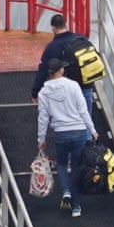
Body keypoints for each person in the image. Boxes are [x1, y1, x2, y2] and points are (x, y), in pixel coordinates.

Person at [37, 58, 98, 217]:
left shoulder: (44, 92)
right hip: (78, 131)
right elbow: (83, 110)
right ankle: (76, 207)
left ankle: (66, 191)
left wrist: (41, 139)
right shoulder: (73, 86)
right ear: (61, 71)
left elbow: (43, 118)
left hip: (61, 134)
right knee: (76, 167)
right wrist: (92, 129)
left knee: (62, 164)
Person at [31, 13, 96, 112]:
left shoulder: (53, 46)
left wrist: (35, 93)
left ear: (53, 28)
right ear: (65, 25)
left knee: (70, 118)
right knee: (86, 119)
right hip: (87, 84)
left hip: (69, 89)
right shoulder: (81, 39)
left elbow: (43, 71)